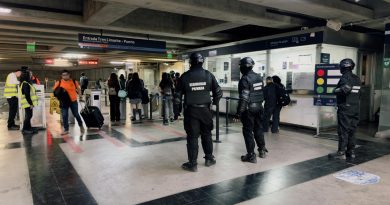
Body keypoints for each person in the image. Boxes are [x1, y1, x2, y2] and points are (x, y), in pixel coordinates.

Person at [174, 52, 222, 172]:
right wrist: (215, 102)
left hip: (191, 111)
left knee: (192, 137)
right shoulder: (208, 75)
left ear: (190, 62)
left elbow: (177, 97)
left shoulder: (185, 76)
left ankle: (193, 164)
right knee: (207, 135)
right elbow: (219, 92)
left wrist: (177, 110)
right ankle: (209, 159)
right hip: (206, 110)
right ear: (202, 62)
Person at [233, 57, 267, 163]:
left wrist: (238, 113)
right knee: (258, 128)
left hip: (249, 110)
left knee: (248, 131)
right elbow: (262, 93)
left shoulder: (245, 79)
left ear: (243, 67)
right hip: (259, 107)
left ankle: (251, 155)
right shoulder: (259, 77)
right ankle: (262, 150)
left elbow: (244, 98)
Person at [329, 59, 361, 159]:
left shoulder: (345, 77)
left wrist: (334, 90)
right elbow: (359, 93)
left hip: (345, 108)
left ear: (343, 67)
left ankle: (341, 152)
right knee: (352, 130)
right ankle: (351, 152)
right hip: (355, 107)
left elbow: (345, 89)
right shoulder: (357, 78)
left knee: (343, 130)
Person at [53, 70, 84, 135]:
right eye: (63, 75)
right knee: (64, 115)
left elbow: (78, 89)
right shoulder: (59, 82)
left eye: (66, 75)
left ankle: (81, 125)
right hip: (64, 102)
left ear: (69, 75)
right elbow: (55, 91)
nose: (65, 76)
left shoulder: (73, 81)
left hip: (73, 101)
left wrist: (80, 96)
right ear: (61, 76)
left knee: (76, 114)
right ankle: (66, 129)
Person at [19, 69, 38, 135]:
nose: (31, 75)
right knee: (29, 116)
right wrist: (31, 104)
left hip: (28, 102)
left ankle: (29, 127)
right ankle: (24, 129)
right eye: (30, 74)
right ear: (26, 75)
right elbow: (27, 95)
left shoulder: (26, 83)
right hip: (27, 103)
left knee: (29, 115)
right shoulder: (25, 83)